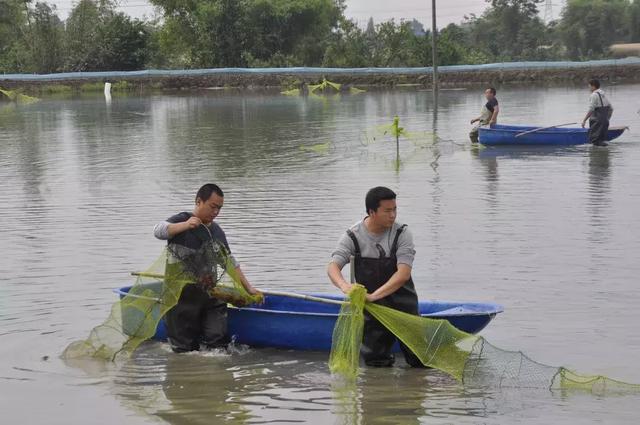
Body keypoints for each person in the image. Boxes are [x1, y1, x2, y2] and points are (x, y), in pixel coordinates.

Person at [153, 183, 260, 353]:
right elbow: (158, 231)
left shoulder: (217, 232)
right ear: (198, 202)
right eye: (212, 206)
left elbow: (229, 262)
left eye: (219, 208)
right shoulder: (181, 220)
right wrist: (186, 225)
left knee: (217, 347)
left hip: (210, 296)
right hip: (180, 299)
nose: (216, 212)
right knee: (184, 350)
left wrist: (248, 287)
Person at [327, 186, 424, 367]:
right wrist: (344, 286)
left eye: (395, 209)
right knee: (376, 362)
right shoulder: (352, 236)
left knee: (420, 361)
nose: (393, 215)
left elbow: (403, 274)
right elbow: (333, 266)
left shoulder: (402, 233)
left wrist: (373, 296)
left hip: (403, 305)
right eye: (387, 211)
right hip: (372, 310)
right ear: (372, 212)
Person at [582, 79, 614, 147]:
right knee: (602, 141)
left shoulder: (594, 95)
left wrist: (584, 120)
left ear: (593, 86)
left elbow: (591, 109)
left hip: (597, 122)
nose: (589, 88)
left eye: (589, 86)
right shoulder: (603, 95)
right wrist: (606, 119)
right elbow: (611, 108)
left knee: (595, 142)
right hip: (605, 122)